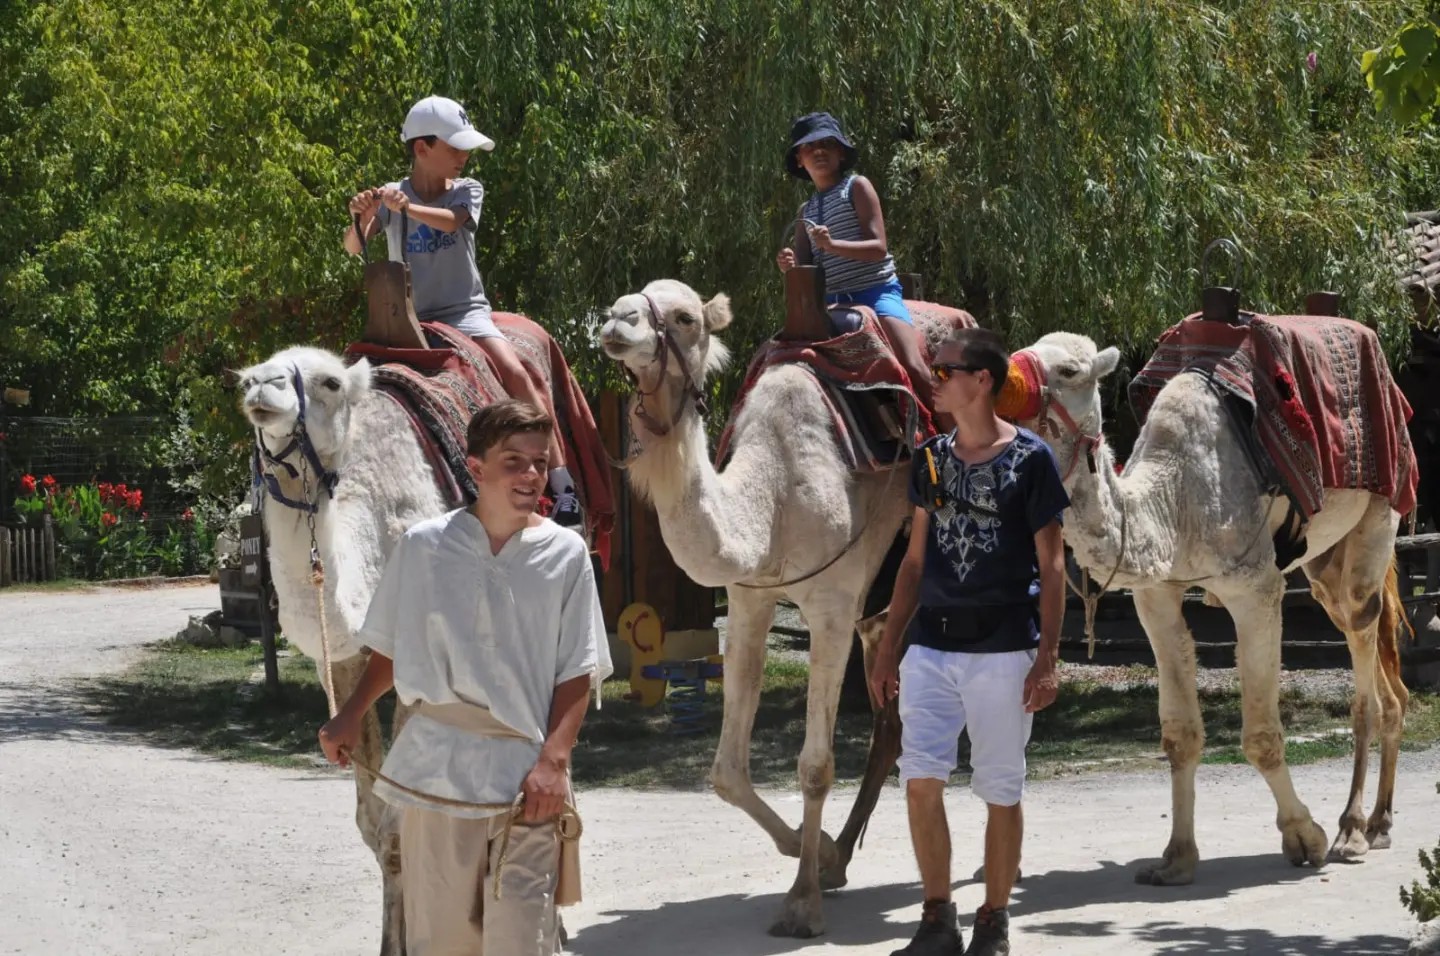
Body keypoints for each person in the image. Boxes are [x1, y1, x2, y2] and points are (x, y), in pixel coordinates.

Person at [318, 398, 613, 956]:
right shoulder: (423, 546)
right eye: (514, 461)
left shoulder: (565, 554)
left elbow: (577, 669)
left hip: (526, 782)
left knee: (522, 941)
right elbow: (395, 647)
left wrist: (554, 762)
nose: (531, 474)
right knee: (444, 941)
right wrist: (351, 713)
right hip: (434, 772)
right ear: (476, 469)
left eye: (539, 461)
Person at [868, 328, 1068, 956]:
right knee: (920, 777)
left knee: (1000, 787)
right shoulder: (930, 458)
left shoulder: (1032, 459)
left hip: (1005, 649)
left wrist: (1047, 659)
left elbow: (1054, 565)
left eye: (944, 370)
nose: (935, 379)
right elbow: (914, 561)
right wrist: (887, 645)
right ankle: (936, 921)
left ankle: (994, 922)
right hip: (931, 646)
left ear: (981, 381)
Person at [344, 94, 582, 527]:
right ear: (422, 148)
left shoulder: (467, 191)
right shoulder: (393, 194)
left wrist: (405, 208)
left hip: (464, 312)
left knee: (518, 373)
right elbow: (352, 246)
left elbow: (451, 222)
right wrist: (360, 216)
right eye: (455, 148)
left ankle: (564, 487)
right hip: (407, 319)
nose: (465, 156)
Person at [775, 110, 935, 412]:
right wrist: (789, 266)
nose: (819, 151)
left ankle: (951, 438)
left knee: (912, 365)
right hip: (831, 303)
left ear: (840, 152)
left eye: (827, 144)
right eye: (810, 146)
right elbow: (806, 270)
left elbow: (878, 247)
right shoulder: (805, 211)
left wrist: (833, 245)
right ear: (799, 159)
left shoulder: (857, 187)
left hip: (875, 293)